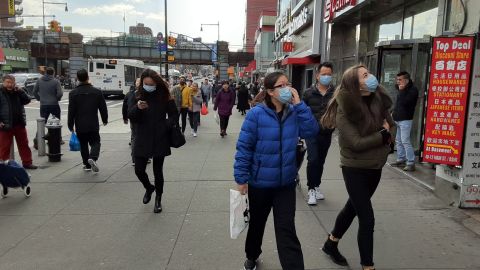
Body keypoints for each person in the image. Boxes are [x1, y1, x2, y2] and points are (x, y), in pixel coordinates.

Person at [234, 71, 319, 270]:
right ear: (271, 92)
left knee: (286, 229)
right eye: (282, 85)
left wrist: (300, 105)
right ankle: (252, 255)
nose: (287, 88)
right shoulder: (256, 114)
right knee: (257, 224)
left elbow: (312, 132)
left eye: (288, 84)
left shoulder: (295, 112)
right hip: (260, 183)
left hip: (285, 184)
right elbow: (244, 147)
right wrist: (241, 178)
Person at [320, 64, 394, 270]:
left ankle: (331, 243)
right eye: (364, 75)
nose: (370, 77)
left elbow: (391, 125)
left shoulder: (377, 100)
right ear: (355, 84)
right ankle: (367, 266)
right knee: (367, 218)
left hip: (375, 165)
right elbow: (356, 143)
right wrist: (382, 135)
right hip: (354, 168)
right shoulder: (346, 109)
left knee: (352, 207)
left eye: (369, 72)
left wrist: (387, 140)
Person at [128, 69, 179, 213]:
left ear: (156, 83)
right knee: (139, 169)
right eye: (146, 84)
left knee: (158, 171)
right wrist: (138, 108)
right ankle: (149, 188)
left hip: (159, 137)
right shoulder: (138, 94)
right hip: (142, 137)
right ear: (142, 82)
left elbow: (174, 115)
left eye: (151, 84)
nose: (149, 86)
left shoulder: (164, 95)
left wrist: (165, 125)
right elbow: (130, 115)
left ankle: (158, 199)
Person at [302, 62, 335, 205]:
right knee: (313, 159)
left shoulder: (335, 93)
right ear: (317, 75)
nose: (326, 77)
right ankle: (311, 189)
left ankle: (316, 185)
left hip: (326, 132)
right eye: (323, 74)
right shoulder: (308, 93)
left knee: (321, 160)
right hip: (311, 132)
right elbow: (301, 111)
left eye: (329, 74)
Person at [68, 69, 108, 173]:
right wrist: (105, 119)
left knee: (83, 144)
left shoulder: (73, 93)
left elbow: (71, 110)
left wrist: (70, 124)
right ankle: (93, 157)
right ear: (88, 77)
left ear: (78, 78)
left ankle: (87, 164)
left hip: (80, 123)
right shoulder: (97, 92)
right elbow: (103, 108)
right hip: (93, 122)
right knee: (95, 142)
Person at [0, 75, 37, 169]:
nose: (10, 84)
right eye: (8, 82)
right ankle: (4, 165)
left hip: (19, 123)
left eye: (12, 82)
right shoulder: (1, 92)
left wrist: (21, 91)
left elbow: (27, 100)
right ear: (3, 82)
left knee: (24, 144)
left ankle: (27, 163)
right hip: (5, 124)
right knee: (4, 147)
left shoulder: (17, 92)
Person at [390, 71, 418, 171]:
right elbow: (398, 103)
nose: (397, 82)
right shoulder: (400, 88)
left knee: (405, 141)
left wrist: (402, 91)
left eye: (400, 79)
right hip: (397, 118)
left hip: (406, 119)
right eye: (397, 79)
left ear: (406, 80)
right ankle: (401, 159)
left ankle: (411, 162)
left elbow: (406, 102)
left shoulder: (413, 90)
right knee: (398, 140)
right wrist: (392, 112)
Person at [33, 67, 63, 148]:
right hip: (54, 104)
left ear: (46, 72)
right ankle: (58, 138)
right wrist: (57, 99)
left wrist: (39, 99)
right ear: (53, 73)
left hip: (43, 105)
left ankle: (37, 139)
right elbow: (60, 93)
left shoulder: (39, 80)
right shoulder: (56, 81)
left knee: (42, 123)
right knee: (57, 122)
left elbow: (34, 91)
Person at [123, 78, 140, 165]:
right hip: (134, 118)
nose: (139, 82)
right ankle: (135, 158)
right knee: (135, 138)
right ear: (135, 83)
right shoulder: (130, 94)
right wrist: (125, 117)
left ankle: (143, 156)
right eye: (138, 81)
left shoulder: (144, 93)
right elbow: (124, 107)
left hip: (143, 119)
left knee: (136, 137)